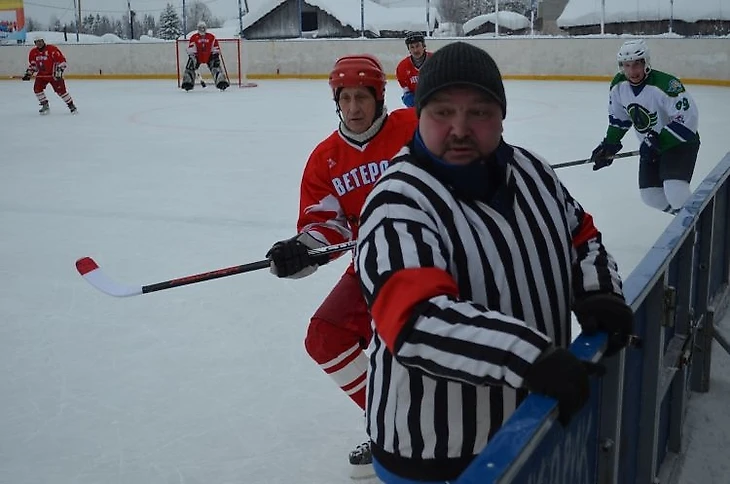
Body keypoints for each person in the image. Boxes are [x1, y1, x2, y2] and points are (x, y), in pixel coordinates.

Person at [354, 42, 635, 483]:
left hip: (531, 428)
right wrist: (531, 357)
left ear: (501, 116)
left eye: (480, 111)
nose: (460, 128)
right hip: (436, 457)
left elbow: (582, 236)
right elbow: (416, 320)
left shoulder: (532, 171)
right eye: (442, 112)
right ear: (419, 115)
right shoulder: (398, 199)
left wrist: (599, 289)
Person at [265, 54, 418, 478]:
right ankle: (392, 424)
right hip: (373, 264)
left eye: (362, 97)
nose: (354, 108)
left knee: (413, 342)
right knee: (325, 336)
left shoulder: (414, 126)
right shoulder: (326, 158)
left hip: (436, 258)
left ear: (379, 96)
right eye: (345, 98)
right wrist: (301, 249)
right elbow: (325, 223)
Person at [590, 39, 700, 215]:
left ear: (646, 63)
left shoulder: (667, 85)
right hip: (650, 147)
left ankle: (698, 229)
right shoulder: (619, 86)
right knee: (651, 195)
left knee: (675, 190)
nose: (632, 71)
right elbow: (620, 119)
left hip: (680, 143)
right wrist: (609, 145)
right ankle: (689, 219)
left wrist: (659, 141)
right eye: (627, 65)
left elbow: (687, 120)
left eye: (636, 65)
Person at [22, 36, 77, 115]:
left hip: (54, 74)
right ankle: (45, 105)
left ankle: (71, 106)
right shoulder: (33, 52)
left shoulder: (52, 49)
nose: (39, 43)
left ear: (43, 41)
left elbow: (62, 61)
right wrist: (29, 73)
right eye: (37, 42)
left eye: (40, 41)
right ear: (35, 43)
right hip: (42, 75)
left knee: (61, 91)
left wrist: (59, 72)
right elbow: (34, 65)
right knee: (37, 89)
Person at [181, 21, 229, 91]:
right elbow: (192, 47)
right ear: (198, 28)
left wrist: (215, 54)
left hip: (210, 55)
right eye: (200, 28)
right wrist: (192, 55)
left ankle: (221, 82)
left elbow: (215, 47)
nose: (202, 29)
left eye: (203, 28)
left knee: (216, 66)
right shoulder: (194, 37)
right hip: (197, 56)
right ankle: (188, 83)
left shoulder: (211, 37)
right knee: (190, 67)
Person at [396, 31, 431, 108]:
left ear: (423, 46)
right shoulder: (402, 67)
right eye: (412, 47)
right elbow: (406, 91)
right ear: (408, 49)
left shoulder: (436, 60)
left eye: (417, 46)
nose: (415, 50)